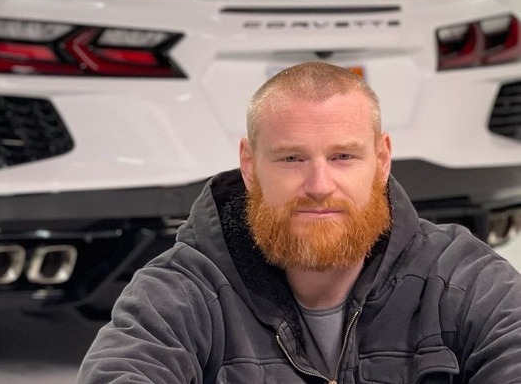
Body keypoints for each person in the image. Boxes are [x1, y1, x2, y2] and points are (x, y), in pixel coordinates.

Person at [76, 62, 521, 383]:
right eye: (291, 158)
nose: (319, 184)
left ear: (381, 160)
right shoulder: (178, 294)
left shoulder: (466, 282)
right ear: (250, 166)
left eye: (343, 156)